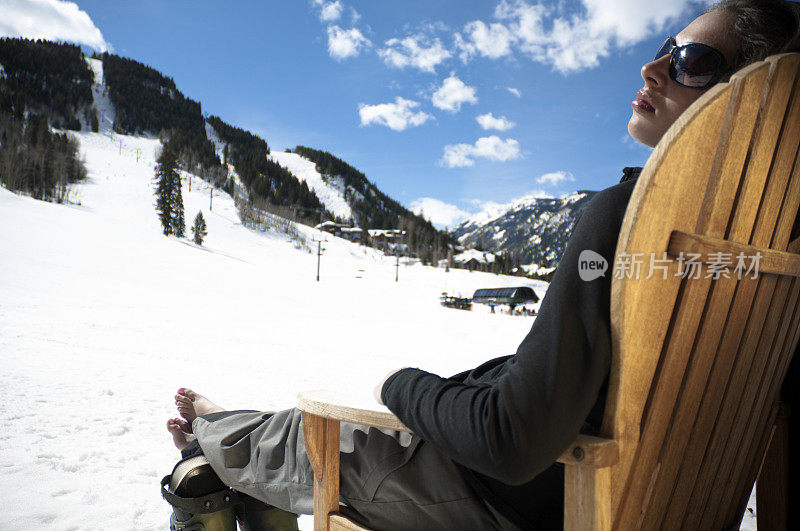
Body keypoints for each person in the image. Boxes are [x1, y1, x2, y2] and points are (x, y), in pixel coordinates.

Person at [164, 1, 800, 529]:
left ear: (753, 103)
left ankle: (210, 447)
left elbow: (510, 439)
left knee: (300, 436)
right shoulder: (778, 260)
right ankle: (223, 435)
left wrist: (397, 382)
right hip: (624, 494)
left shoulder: (630, 216)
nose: (652, 66)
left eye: (691, 61)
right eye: (666, 45)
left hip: (508, 499)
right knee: (293, 432)